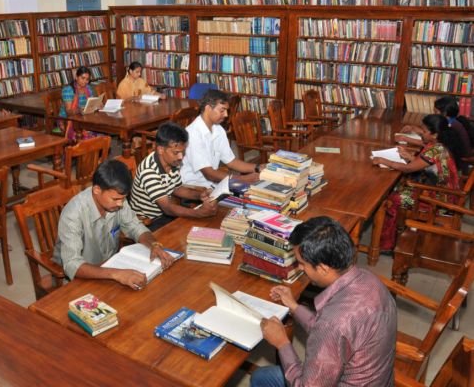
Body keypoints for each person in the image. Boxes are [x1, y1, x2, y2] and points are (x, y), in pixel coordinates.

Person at [251, 216, 397, 387]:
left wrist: (282, 343)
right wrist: (294, 307)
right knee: (262, 376)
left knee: (261, 378)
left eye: (302, 263)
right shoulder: (370, 281)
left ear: (322, 268)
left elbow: (331, 329)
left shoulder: (334, 323)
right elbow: (335, 331)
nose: (299, 268)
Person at [53, 159, 175, 290]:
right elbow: (72, 264)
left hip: (111, 266)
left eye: (123, 199)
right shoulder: (73, 214)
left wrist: (154, 245)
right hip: (84, 275)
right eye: (116, 199)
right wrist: (116, 274)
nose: (120, 204)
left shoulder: (116, 201)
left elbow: (135, 227)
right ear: (97, 190)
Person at [374, 114, 463, 251]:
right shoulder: (436, 145)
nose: (421, 133)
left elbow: (408, 168)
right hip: (438, 190)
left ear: (434, 134)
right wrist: (408, 156)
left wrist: (384, 161)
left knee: (393, 199)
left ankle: (387, 245)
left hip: (439, 199)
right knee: (396, 190)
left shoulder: (435, 150)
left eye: (424, 131)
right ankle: (393, 235)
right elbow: (424, 165)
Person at [129, 122, 217, 231]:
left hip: (164, 215)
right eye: (176, 152)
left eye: (183, 152)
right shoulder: (149, 171)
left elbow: (177, 188)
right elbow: (167, 208)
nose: (181, 157)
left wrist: (200, 195)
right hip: (148, 222)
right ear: (161, 149)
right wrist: (198, 213)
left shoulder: (172, 162)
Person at [180, 89, 261, 188]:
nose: (226, 115)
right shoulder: (193, 134)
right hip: (194, 187)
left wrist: (258, 168)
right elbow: (209, 174)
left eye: (226, 111)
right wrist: (242, 179)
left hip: (212, 183)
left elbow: (231, 161)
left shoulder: (218, 129)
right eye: (222, 110)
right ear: (208, 108)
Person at [397, 96, 472, 167]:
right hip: (456, 158)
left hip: (457, 162)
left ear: (444, 113)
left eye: (436, 111)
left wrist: (406, 139)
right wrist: (415, 129)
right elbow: (433, 136)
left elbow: (430, 143)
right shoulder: (453, 122)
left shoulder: (448, 127)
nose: (434, 114)